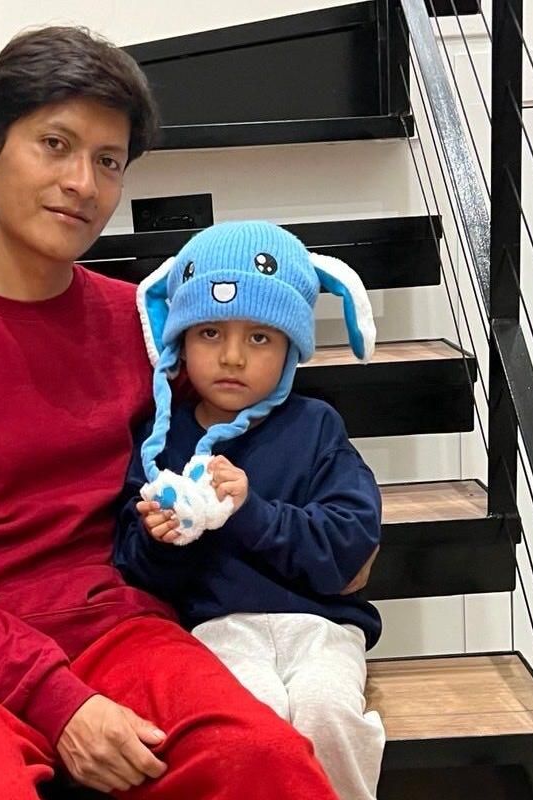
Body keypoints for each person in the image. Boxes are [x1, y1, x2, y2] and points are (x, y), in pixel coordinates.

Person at [0, 27, 339, 799]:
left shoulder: (141, 324)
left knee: (265, 760)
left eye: (108, 161)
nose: (82, 182)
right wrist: (58, 700)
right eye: (55, 145)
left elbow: (249, 424)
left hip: (115, 625)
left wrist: (334, 532)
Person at [115, 221, 387, 800]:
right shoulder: (159, 445)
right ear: (179, 343)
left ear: (291, 348)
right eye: (210, 332)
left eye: (260, 337)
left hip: (322, 628)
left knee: (327, 713)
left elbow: (350, 543)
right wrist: (162, 539)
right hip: (218, 629)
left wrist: (250, 511)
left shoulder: (317, 427)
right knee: (249, 725)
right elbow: (133, 569)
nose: (233, 356)